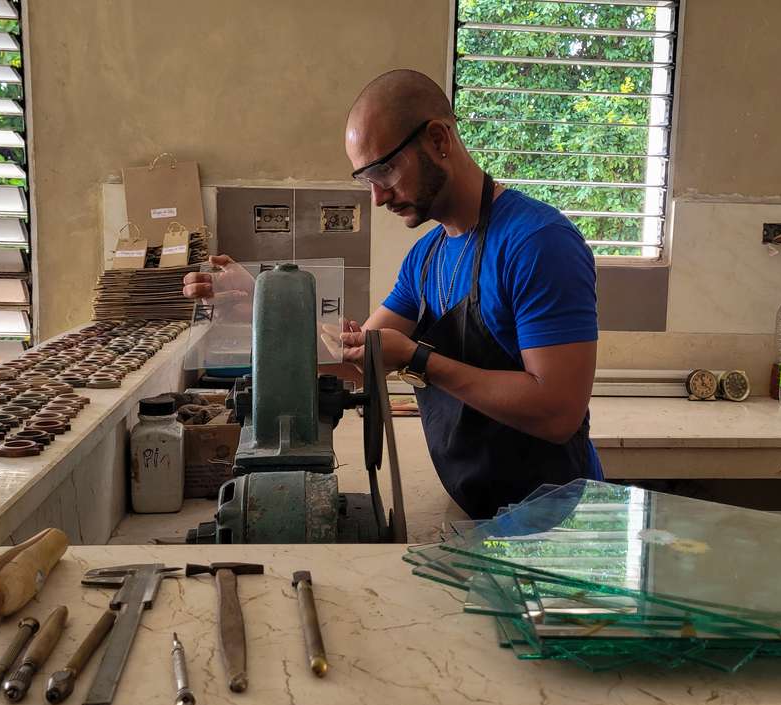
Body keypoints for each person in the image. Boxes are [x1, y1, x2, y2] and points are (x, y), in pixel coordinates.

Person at [185, 69, 601, 519]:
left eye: (384, 170)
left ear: (439, 139)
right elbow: (357, 362)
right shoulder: (425, 258)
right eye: (367, 178)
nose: (379, 197)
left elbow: (558, 412)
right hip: (477, 511)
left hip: (557, 520)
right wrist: (263, 304)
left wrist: (418, 360)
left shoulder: (538, 242)